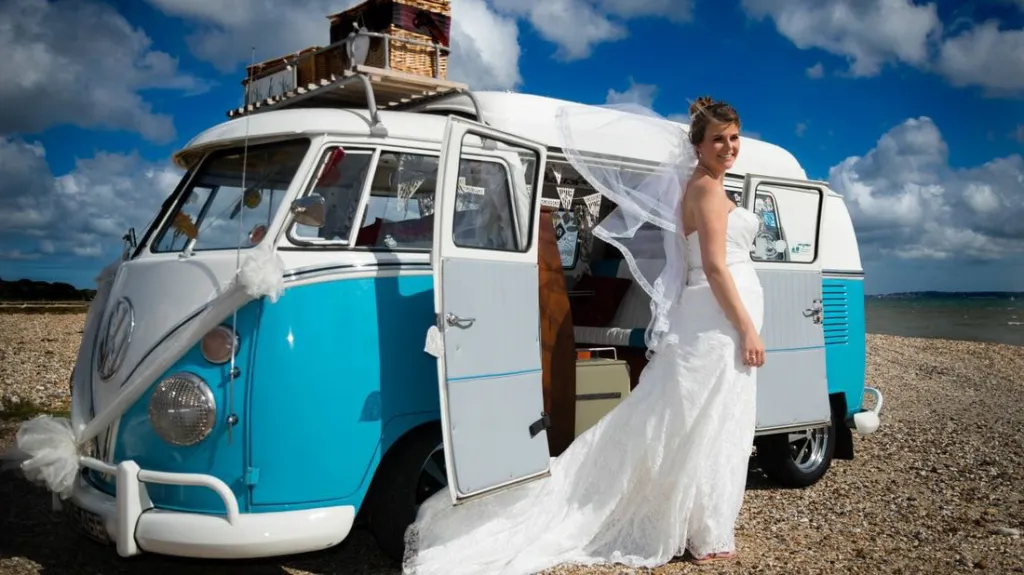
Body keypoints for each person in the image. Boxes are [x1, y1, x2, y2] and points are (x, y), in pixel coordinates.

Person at [401, 95, 766, 574]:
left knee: (703, 419)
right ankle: (698, 528)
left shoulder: (707, 188)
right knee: (702, 421)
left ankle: (700, 523)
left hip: (713, 319)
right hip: (717, 321)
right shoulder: (706, 192)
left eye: (734, 137)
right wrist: (746, 328)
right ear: (697, 146)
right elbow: (716, 269)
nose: (728, 146)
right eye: (718, 138)